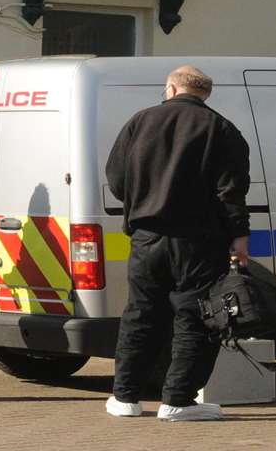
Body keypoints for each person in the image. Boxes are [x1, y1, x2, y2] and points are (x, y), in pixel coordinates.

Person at [103, 64, 252, 421]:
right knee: (195, 317)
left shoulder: (139, 122)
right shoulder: (222, 129)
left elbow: (117, 178)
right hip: (199, 241)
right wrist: (240, 236)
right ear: (205, 93)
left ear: (171, 88)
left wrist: (144, 199)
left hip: (146, 238)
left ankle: (124, 398)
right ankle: (179, 401)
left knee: (140, 314)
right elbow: (231, 191)